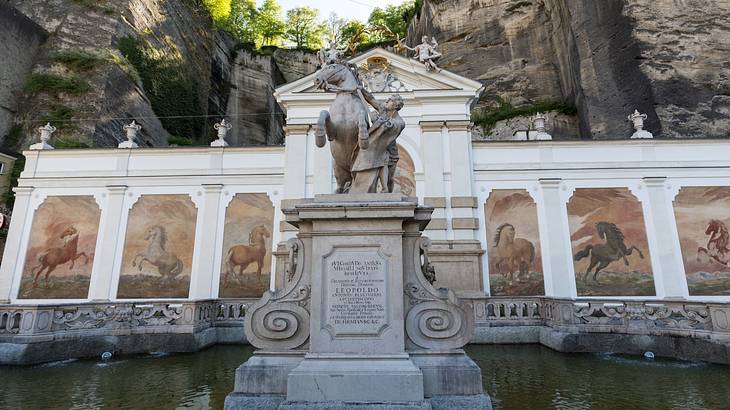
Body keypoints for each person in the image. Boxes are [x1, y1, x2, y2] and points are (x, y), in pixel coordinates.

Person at [350, 88, 406, 193]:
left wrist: (377, 121)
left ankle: (387, 192)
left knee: (389, 179)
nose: (386, 102)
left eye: (389, 100)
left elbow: (388, 127)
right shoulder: (383, 111)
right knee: (381, 163)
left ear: (395, 105)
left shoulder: (399, 122)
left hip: (390, 151)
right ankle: (382, 189)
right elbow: (371, 99)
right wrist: (361, 90)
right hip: (378, 150)